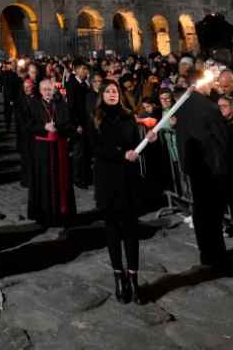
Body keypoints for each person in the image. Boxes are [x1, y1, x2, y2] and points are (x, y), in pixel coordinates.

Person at [148, 70, 233, 269]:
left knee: (202, 211)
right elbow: (222, 140)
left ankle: (207, 253)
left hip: (195, 167)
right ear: (201, 84)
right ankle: (217, 256)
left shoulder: (183, 105)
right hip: (211, 168)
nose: (212, 85)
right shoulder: (208, 107)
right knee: (212, 214)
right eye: (210, 82)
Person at [90, 80, 145, 303]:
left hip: (128, 179)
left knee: (131, 230)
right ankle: (118, 277)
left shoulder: (128, 116)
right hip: (107, 179)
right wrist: (121, 154)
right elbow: (96, 147)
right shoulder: (96, 117)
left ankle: (133, 279)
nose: (112, 94)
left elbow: (136, 144)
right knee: (112, 229)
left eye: (115, 91)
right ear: (101, 94)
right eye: (108, 91)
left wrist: (147, 141)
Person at [23, 79, 77, 229]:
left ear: (54, 90)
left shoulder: (61, 104)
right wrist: (44, 127)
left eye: (50, 89)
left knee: (61, 180)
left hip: (59, 148)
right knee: (43, 181)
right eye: (45, 89)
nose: (47, 92)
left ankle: (62, 214)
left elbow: (69, 124)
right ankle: (44, 215)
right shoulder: (33, 105)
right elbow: (27, 125)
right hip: (41, 150)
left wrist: (58, 128)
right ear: (40, 91)